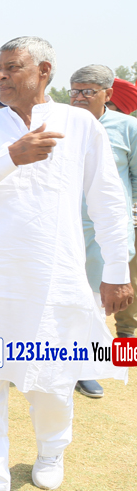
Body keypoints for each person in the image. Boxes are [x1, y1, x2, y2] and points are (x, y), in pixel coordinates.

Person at [0, 38, 131, 491]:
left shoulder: (79, 124)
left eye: (12, 68)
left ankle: (52, 450)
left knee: (50, 379)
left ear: (44, 70)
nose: (1, 77)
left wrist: (116, 269)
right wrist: (11, 157)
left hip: (55, 276)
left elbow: (107, 199)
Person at [70, 65, 137, 399]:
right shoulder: (64, 125)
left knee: (101, 304)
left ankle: (88, 369)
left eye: (87, 91)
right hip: (67, 229)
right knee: (69, 299)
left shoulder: (128, 128)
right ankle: (64, 363)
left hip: (108, 233)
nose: (79, 98)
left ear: (108, 94)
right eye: (74, 91)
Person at [107, 77, 137, 338]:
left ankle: (125, 351)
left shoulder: (129, 130)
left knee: (128, 304)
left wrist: (121, 203)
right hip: (89, 224)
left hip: (129, 225)